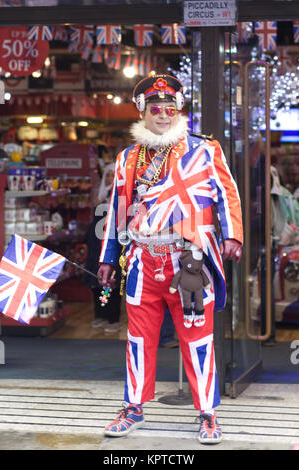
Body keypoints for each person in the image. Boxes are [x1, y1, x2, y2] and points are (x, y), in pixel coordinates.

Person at [97, 74, 243, 444]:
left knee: (198, 340)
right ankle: (133, 407)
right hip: (143, 260)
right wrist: (109, 257)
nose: (163, 114)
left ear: (179, 109)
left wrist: (233, 236)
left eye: (170, 107)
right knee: (138, 338)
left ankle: (207, 413)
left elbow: (227, 195)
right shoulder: (128, 158)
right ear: (143, 112)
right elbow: (119, 210)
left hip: (188, 260)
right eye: (155, 108)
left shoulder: (203, 150)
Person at [83, 163, 122, 334]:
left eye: (113, 174)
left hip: (111, 244)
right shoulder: (98, 195)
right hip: (96, 247)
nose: (109, 178)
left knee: (111, 281)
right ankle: (100, 314)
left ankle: (113, 317)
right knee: (95, 281)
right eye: (107, 174)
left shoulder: (121, 195)